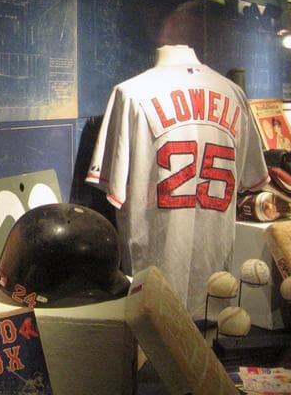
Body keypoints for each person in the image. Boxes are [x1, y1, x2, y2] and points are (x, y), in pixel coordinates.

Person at [86, 45, 269, 318]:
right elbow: (252, 179)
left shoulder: (130, 93)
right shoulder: (234, 93)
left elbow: (111, 188)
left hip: (153, 277)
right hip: (214, 285)